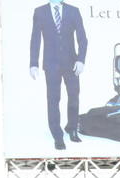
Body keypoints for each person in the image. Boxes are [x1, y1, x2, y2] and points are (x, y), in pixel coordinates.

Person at [30, 1, 88, 151]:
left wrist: (81, 60)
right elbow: (35, 38)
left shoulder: (73, 10)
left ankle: (72, 128)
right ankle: (57, 135)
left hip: (71, 63)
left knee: (74, 96)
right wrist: (33, 63)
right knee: (53, 99)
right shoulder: (40, 11)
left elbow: (82, 38)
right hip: (51, 63)